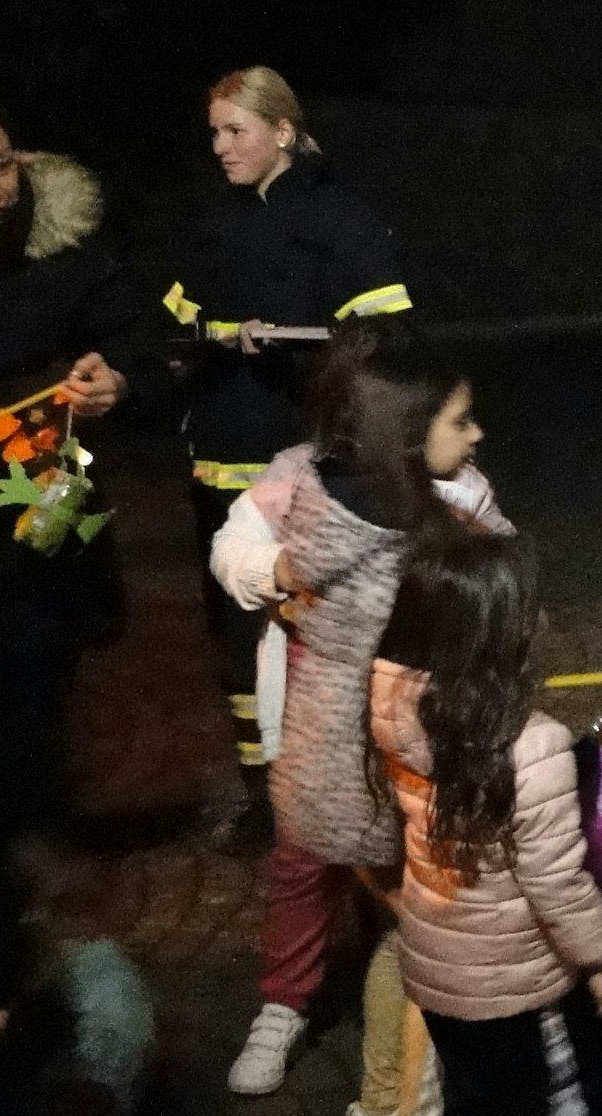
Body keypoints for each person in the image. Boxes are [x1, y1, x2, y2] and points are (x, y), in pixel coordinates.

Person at [209, 318, 506, 1116]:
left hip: (413, 731)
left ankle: (417, 1041)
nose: (476, 435)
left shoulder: (460, 494)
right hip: (318, 720)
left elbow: (501, 574)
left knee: (416, 876)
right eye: (457, 418)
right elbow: (235, 541)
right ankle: (285, 999)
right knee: (303, 865)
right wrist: (268, 571)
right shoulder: (300, 478)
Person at [0, 72, 137, 1084]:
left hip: (38, 539)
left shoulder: (67, 260)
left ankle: (20, 922)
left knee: (31, 742)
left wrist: (112, 381)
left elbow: (137, 351)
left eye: (2, 164)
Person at [169, 65, 415, 857]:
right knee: (233, 642)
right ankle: (261, 795)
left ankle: (334, 785)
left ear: (281, 130)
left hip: (308, 458)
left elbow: (387, 337)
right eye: (214, 132)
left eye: (235, 130)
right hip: (219, 456)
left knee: (320, 628)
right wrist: (200, 342)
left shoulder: (341, 221)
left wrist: (303, 344)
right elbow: (168, 330)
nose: (220, 148)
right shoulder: (211, 223)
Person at [372, 528, 602, 1116]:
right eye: (529, 607)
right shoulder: (532, 746)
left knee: (473, 1100)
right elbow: (555, 883)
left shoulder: (395, 705)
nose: (541, 618)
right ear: (499, 633)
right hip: (509, 979)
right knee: (527, 1100)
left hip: (434, 958)